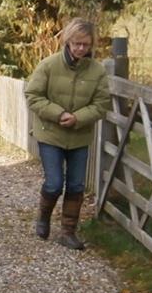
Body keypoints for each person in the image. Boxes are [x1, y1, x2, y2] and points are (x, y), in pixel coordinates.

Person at [24, 18, 111, 250]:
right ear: (68, 41)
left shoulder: (98, 71)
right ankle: (43, 217)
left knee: (76, 185)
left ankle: (68, 232)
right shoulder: (49, 65)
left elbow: (101, 104)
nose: (81, 48)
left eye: (85, 44)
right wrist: (58, 114)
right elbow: (33, 95)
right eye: (76, 43)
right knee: (54, 183)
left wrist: (78, 118)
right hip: (50, 133)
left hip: (79, 136)